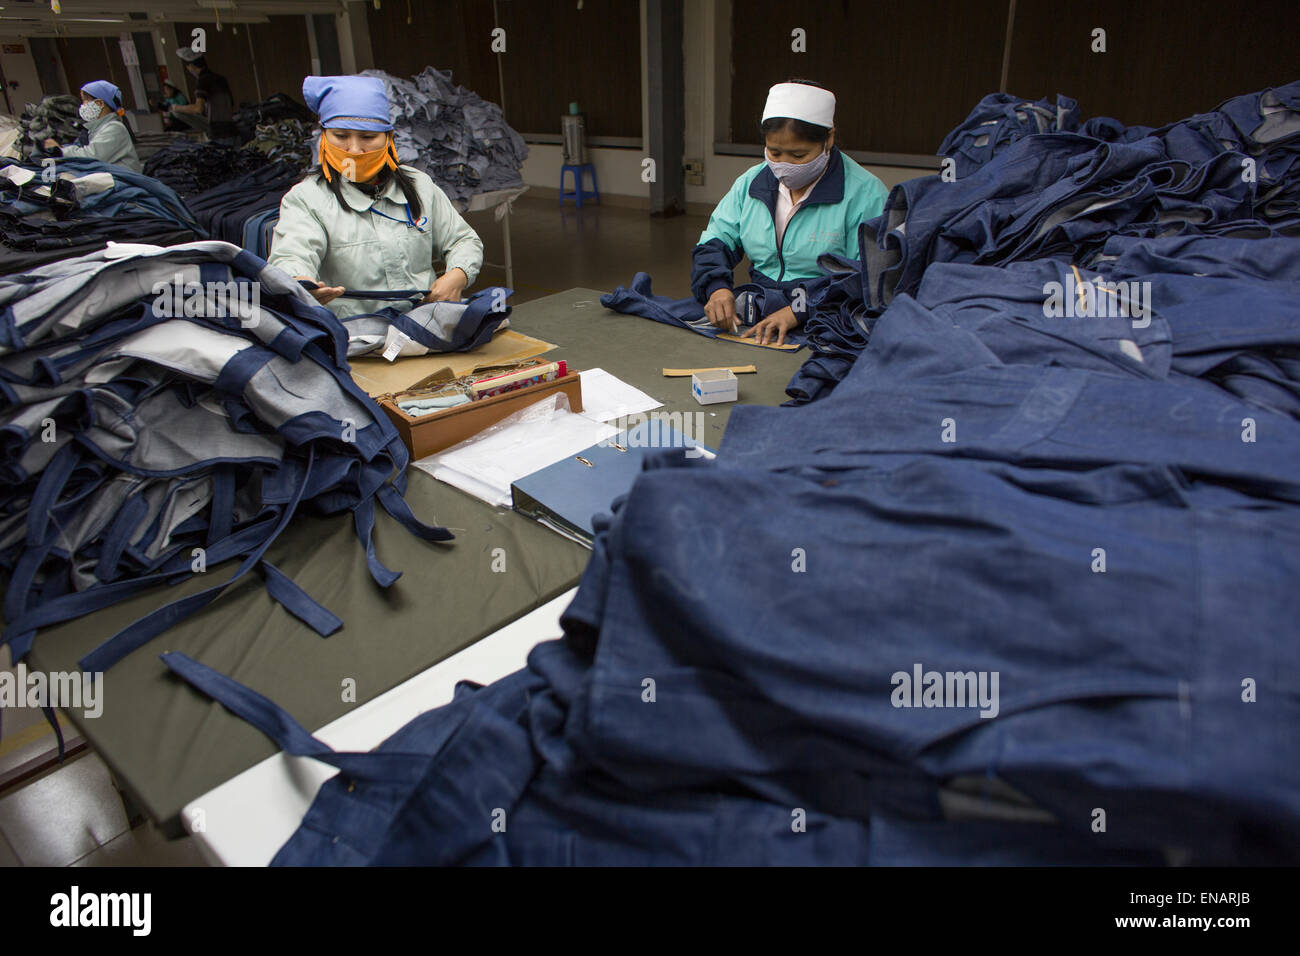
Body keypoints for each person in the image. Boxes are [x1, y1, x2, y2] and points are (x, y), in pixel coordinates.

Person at [268, 75, 484, 320]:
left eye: (368, 138)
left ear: (389, 138)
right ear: (324, 138)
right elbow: (290, 256)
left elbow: (463, 240)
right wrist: (299, 283)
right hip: (354, 334)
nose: (355, 150)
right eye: (341, 136)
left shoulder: (419, 185)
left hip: (425, 323)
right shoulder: (306, 199)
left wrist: (457, 275)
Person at [692, 80, 889, 345]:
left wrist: (799, 309)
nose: (784, 165)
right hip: (760, 305)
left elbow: (868, 276)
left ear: (828, 139)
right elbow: (715, 241)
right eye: (774, 152)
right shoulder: (751, 184)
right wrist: (716, 289)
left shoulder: (866, 194)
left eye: (798, 155)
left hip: (828, 310)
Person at [42, 80, 141, 173]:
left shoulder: (114, 128)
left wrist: (59, 151)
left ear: (99, 103)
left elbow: (91, 156)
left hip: (123, 182)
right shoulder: (95, 129)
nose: (82, 105)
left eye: (85, 100)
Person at [169, 49, 236, 143]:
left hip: (218, 134)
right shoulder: (221, 79)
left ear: (191, 66)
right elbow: (231, 103)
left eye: (188, 68)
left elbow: (198, 109)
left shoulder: (202, 81)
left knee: (177, 112)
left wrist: (176, 108)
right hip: (232, 130)